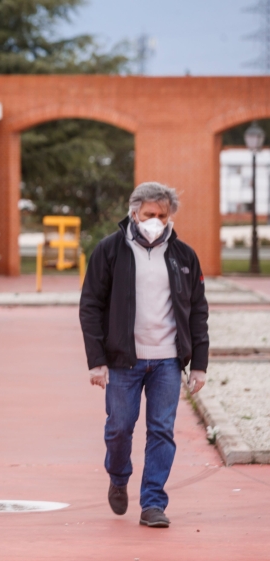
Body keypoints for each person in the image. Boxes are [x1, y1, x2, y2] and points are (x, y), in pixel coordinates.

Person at [79, 182, 209, 529]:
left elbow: (197, 311)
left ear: (170, 217)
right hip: (124, 360)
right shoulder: (110, 251)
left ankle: (153, 502)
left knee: (161, 431)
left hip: (167, 360)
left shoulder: (184, 256)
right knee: (119, 428)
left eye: (162, 216)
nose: (156, 221)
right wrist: (96, 360)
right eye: (150, 214)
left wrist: (199, 365)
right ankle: (119, 476)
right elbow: (90, 306)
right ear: (134, 212)